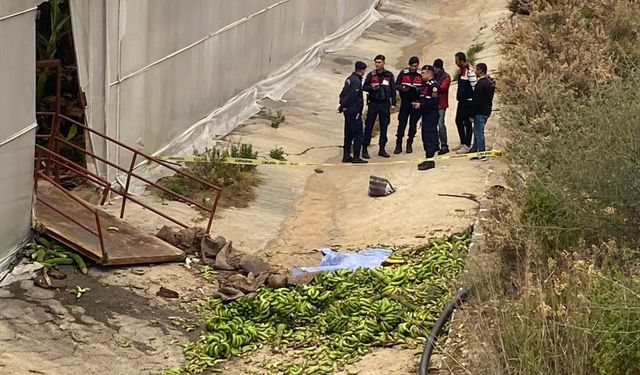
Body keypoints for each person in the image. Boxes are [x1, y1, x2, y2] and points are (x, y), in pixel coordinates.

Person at [362, 54, 396, 158]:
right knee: (369, 126)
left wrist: (393, 103)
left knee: (384, 126)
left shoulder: (389, 75)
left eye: (379, 62)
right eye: (376, 62)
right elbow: (364, 87)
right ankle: (364, 149)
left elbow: (393, 90)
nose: (377, 64)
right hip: (373, 103)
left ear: (383, 63)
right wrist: (371, 88)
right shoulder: (371, 75)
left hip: (385, 104)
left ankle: (382, 148)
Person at [338, 61, 368, 164]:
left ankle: (346, 155)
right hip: (353, 111)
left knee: (348, 134)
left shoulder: (349, 79)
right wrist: (344, 106)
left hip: (348, 112)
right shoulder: (356, 81)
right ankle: (356, 156)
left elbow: (342, 94)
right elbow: (352, 96)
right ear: (362, 70)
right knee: (358, 134)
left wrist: (342, 105)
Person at [412, 65, 440, 165]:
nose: (421, 75)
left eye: (423, 73)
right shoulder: (426, 85)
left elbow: (433, 101)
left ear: (429, 73)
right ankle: (428, 157)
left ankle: (430, 159)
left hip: (431, 114)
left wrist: (421, 105)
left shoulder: (434, 86)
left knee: (429, 136)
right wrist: (418, 102)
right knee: (425, 136)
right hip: (425, 114)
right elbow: (424, 97)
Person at [394, 56, 422, 154]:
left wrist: (418, 90)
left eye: (416, 66)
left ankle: (409, 143)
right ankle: (398, 145)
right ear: (409, 65)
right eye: (413, 66)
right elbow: (396, 85)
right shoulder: (403, 73)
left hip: (415, 102)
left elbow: (424, 88)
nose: (414, 68)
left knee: (413, 125)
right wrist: (402, 88)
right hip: (405, 102)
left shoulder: (420, 74)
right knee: (401, 123)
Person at [469, 63, 495, 161]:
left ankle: (482, 153)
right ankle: (475, 150)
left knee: (479, 133)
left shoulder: (480, 84)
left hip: (479, 111)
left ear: (480, 70)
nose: (475, 72)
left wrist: (471, 114)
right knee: (476, 131)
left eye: (476, 69)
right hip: (487, 110)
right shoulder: (490, 82)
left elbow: (476, 100)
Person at [452, 52, 477, 154]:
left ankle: (467, 145)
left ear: (461, 60)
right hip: (461, 101)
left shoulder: (469, 71)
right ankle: (462, 142)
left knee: (467, 123)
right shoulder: (461, 71)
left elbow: (474, 86)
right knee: (458, 121)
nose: (455, 62)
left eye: (456, 60)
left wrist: (473, 101)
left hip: (468, 101)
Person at [433, 58, 451, 155]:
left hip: (441, 104)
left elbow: (443, 88)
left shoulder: (446, 76)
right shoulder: (433, 75)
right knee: (433, 125)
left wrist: (434, 86)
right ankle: (436, 144)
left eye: (436, 68)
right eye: (434, 67)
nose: (435, 69)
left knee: (440, 125)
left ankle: (444, 145)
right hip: (433, 103)